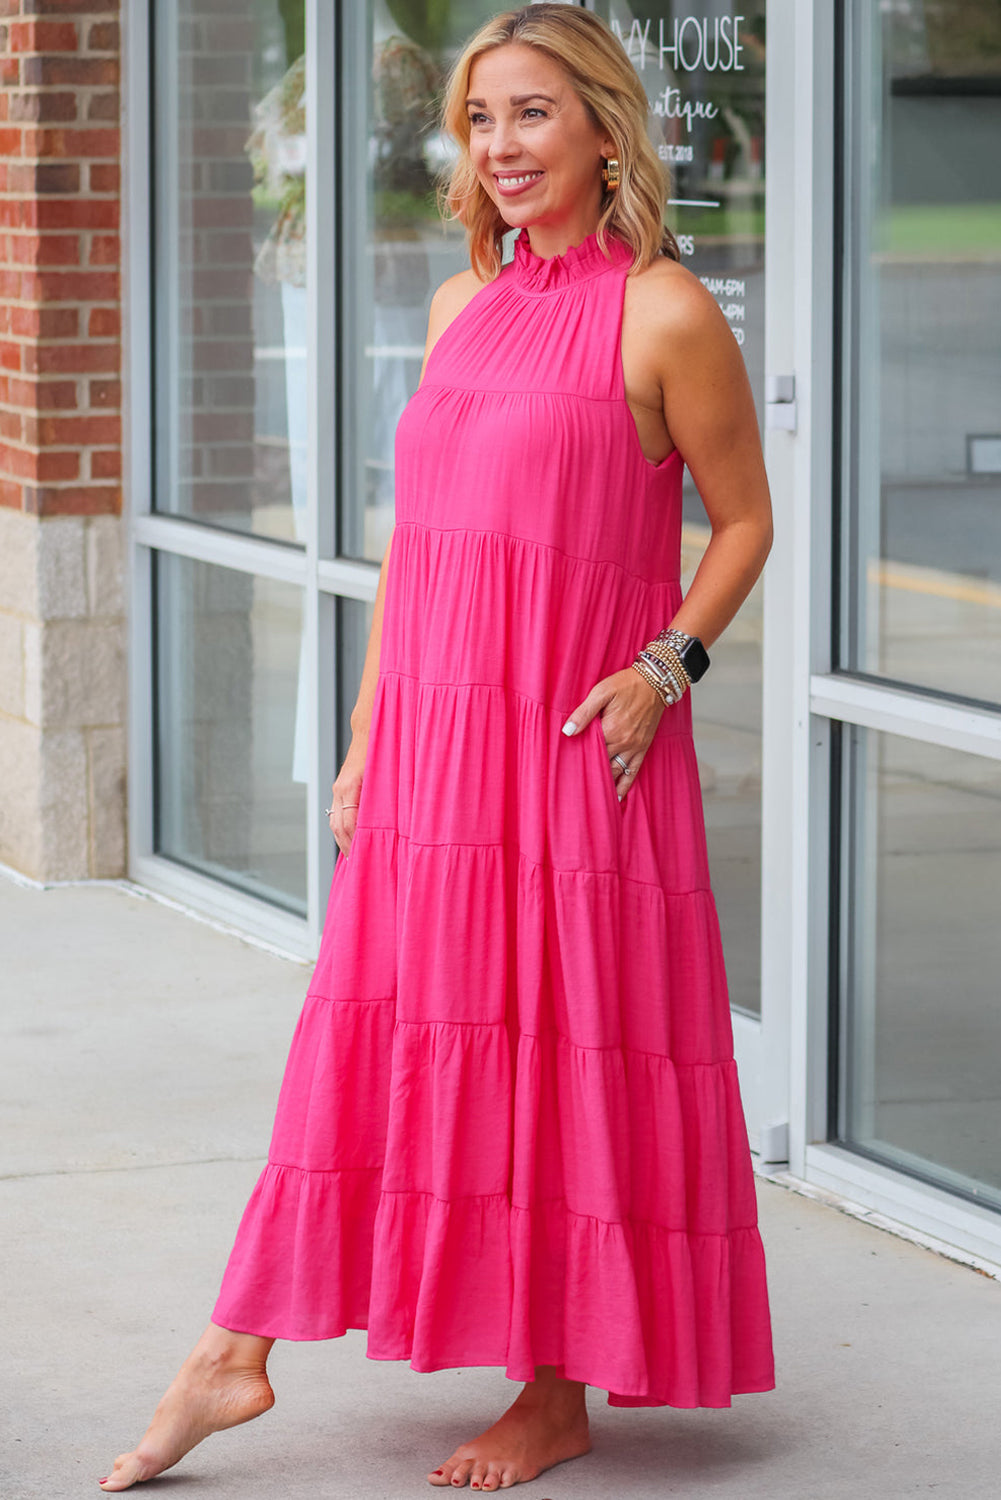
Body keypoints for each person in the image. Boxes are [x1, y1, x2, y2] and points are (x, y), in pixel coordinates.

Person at [99, 6, 775, 1493]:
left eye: (532, 114)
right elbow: (422, 545)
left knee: (565, 1050)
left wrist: (665, 669)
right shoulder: (474, 303)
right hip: (436, 744)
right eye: (481, 120)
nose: (501, 147)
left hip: (572, 737)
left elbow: (745, 520)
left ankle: (552, 1388)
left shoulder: (662, 311)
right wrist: (364, 733)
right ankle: (236, 1351)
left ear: (604, 127)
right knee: (372, 1036)